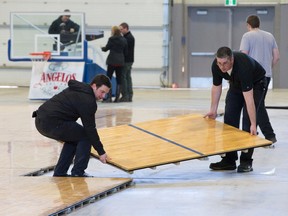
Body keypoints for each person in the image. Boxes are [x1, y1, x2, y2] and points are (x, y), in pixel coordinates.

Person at [32, 74, 111, 177]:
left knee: (74, 137)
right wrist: (101, 152)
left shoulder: (79, 89)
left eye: (106, 93)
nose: (103, 96)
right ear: (94, 86)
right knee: (85, 136)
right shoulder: (88, 100)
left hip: (41, 119)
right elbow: (90, 129)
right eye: (102, 92)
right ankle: (78, 172)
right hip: (52, 122)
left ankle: (60, 172)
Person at [204, 47, 267, 173]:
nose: (222, 67)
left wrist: (254, 124)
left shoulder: (243, 66)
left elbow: (249, 100)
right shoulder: (216, 66)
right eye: (219, 63)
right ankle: (229, 160)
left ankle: (246, 162)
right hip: (236, 84)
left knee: (247, 125)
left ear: (231, 59)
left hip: (256, 84)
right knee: (229, 121)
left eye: (225, 63)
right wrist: (213, 110)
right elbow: (216, 87)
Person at [240, 15, 280, 144]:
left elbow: (243, 56)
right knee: (258, 104)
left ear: (248, 24)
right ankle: (261, 133)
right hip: (266, 75)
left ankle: (268, 135)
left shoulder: (247, 36)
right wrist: (268, 68)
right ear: (259, 24)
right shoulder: (270, 36)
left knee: (254, 105)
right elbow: (276, 57)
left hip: (252, 76)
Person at [101, 26, 128, 102]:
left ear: (113, 31)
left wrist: (102, 48)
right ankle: (117, 98)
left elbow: (106, 49)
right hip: (120, 62)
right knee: (119, 79)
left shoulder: (111, 39)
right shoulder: (124, 39)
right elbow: (126, 52)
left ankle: (109, 98)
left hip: (112, 61)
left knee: (108, 78)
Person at [119, 22, 135, 102]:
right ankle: (129, 95)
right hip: (130, 60)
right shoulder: (130, 37)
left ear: (126, 28)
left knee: (124, 78)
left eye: (121, 29)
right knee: (128, 77)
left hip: (126, 61)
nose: (120, 31)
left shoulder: (127, 38)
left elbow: (124, 50)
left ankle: (125, 95)